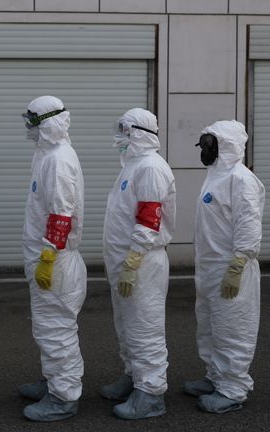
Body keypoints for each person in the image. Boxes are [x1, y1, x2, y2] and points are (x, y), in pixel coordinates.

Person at [183, 120, 265, 414]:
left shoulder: (240, 179)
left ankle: (233, 388)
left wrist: (238, 263)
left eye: (209, 144)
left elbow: (248, 224)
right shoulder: (216, 175)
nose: (204, 150)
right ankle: (215, 376)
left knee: (232, 328)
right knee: (209, 326)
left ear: (226, 145)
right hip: (209, 267)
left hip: (232, 267)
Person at [100, 108, 175, 420]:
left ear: (138, 133)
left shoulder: (151, 168)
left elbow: (149, 219)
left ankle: (151, 394)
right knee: (127, 324)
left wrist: (132, 260)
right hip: (128, 260)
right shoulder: (133, 166)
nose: (119, 138)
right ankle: (134, 376)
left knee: (145, 326)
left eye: (125, 132)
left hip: (142, 261)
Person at [18, 95, 87, 422]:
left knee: (56, 328)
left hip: (55, 260)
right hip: (48, 257)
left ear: (47, 123)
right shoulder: (47, 156)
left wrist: (48, 255)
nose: (28, 128)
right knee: (47, 327)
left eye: (33, 122)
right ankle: (52, 381)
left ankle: (63, 396)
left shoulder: (58, 160)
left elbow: (62, 212)